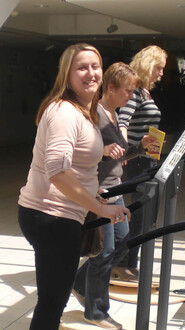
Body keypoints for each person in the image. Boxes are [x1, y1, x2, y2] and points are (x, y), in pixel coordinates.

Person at [17, 44, 130, 330]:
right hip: (51, 216)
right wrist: (100, 208)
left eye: (95, 66)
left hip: (59, 214)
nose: (91, 73)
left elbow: (77, 165)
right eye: (82, 67)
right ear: (67, 76)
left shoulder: (83, 111)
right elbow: (58, 172)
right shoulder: (64, 113)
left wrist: (93, 191)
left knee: (53, 300)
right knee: (52, 303)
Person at [72, 62, 157, 329]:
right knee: (105, 251)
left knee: (122, 243)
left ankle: (80, 282)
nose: (131, 97)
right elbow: (79, 155)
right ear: (110, 87)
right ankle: (95, 311)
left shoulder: (114, 113)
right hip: (99, 193)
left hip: (115, 188)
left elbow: (118, 156)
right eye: (128, 91)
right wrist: (103, 151)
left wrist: (139, 147)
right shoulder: (94, 114)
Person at [115, 45, 167, 280]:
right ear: (148, 64)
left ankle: (128, 261)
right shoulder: (135, 91)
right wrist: (125, 151)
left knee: (145, 214)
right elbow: (123, 121)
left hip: (146, 158)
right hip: (136, 161)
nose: (161, 73)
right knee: (140, 213)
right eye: (159, 68)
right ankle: (123, 262)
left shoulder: (145, 92)